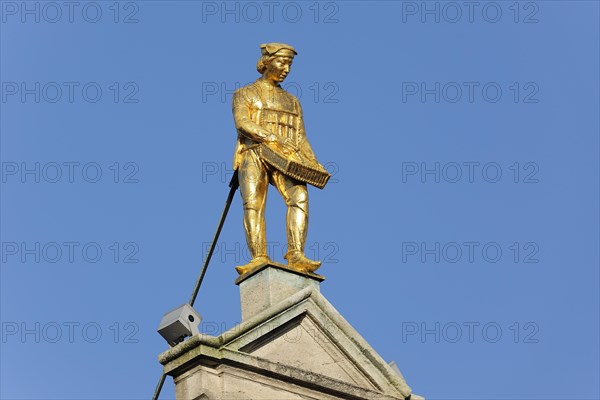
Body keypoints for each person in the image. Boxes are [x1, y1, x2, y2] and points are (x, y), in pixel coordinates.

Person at [231, 42, 322, 275]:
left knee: (299, 196)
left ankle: (296, 254)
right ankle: (258, 257)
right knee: (253, 203)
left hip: (287, 156)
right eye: (281, 62)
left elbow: (301, 137)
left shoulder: (292, 101)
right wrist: (271, 137)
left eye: (289, 64)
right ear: (266, 63)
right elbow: (243, 123)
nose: (286, 69)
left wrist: (312, 162)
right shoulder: (245, 93)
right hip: (255, 152)